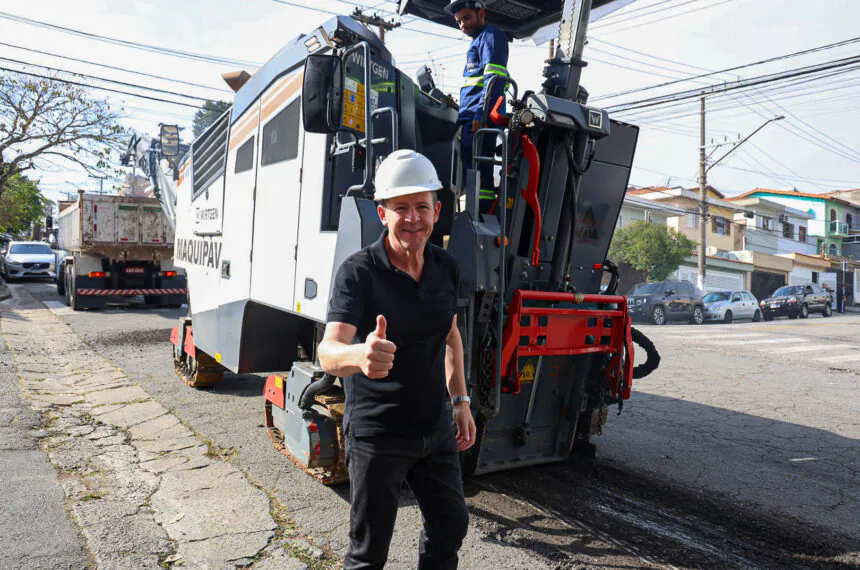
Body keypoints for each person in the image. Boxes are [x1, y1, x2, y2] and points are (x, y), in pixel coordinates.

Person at [319, 149, 476, 570]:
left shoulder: (446, 267)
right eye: (401, 207)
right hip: (379, 434)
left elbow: (450, 336)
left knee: (450, 526)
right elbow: (328, 351)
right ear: (382, 212)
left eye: (422, 207)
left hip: (434, 429)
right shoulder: (358, 273)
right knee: (369, 551)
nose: (413, 218)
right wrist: (360, 355)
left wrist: (460, 402)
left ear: (437, 211)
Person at [446, 0, 509, 215]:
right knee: (472, 170)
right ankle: (475, 211)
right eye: (459, 21)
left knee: (479, 171)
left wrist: (481, 113)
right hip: (471, 117)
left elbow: (494, 78)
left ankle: (480, 214)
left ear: (481, 13)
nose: (463, 25)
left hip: (479, 119)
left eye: (467, 18)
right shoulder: (478, 42)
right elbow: (476, 85)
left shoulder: (491, 36)